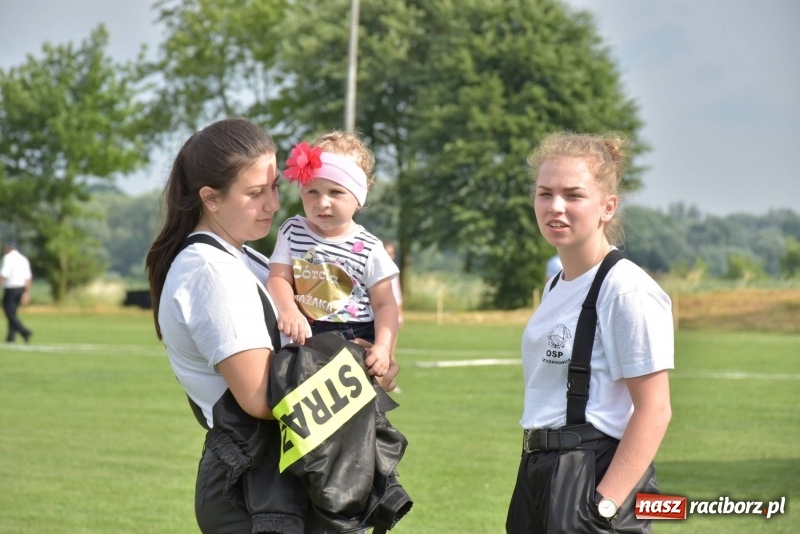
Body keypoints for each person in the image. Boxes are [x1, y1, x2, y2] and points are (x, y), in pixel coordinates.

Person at [145, 117, 399, 533]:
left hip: (287, 473)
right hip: (251, 485)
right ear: (210, 198)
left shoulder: (248, 260)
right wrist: (353, 368)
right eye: (255, 193)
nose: (274, 204)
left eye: (275, 187)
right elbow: (261, 398)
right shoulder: (210, 271)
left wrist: (375, 360)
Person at [506, 132, 673, 533]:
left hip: (591, 470)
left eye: (573, 195)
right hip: (539, 468)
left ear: (607, 207)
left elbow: (654, 409)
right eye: (545, 193)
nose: (555, 207)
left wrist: (605, 503)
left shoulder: (625, 288)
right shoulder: (556, 284)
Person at [267, 130, 399, 379]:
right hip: (305, 330)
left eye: (335, 192)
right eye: (312, 191)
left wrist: (383, 348)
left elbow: (385, 304)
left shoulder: (370, 248)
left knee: (356, 413)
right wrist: (288, 310)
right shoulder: (293, 230)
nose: (322, 202)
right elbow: (279, 278)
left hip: (355, 336)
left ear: (358, 198)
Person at [1, 240, 33, 343]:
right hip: (21, 288)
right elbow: (28, 278)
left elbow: (4, 275)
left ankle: (24, 331)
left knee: (9, 312)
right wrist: (26, 293)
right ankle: (11, 338)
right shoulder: (23, 259)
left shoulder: (8, 258)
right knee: (13, 313)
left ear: (9, 248)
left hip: (11, 288)